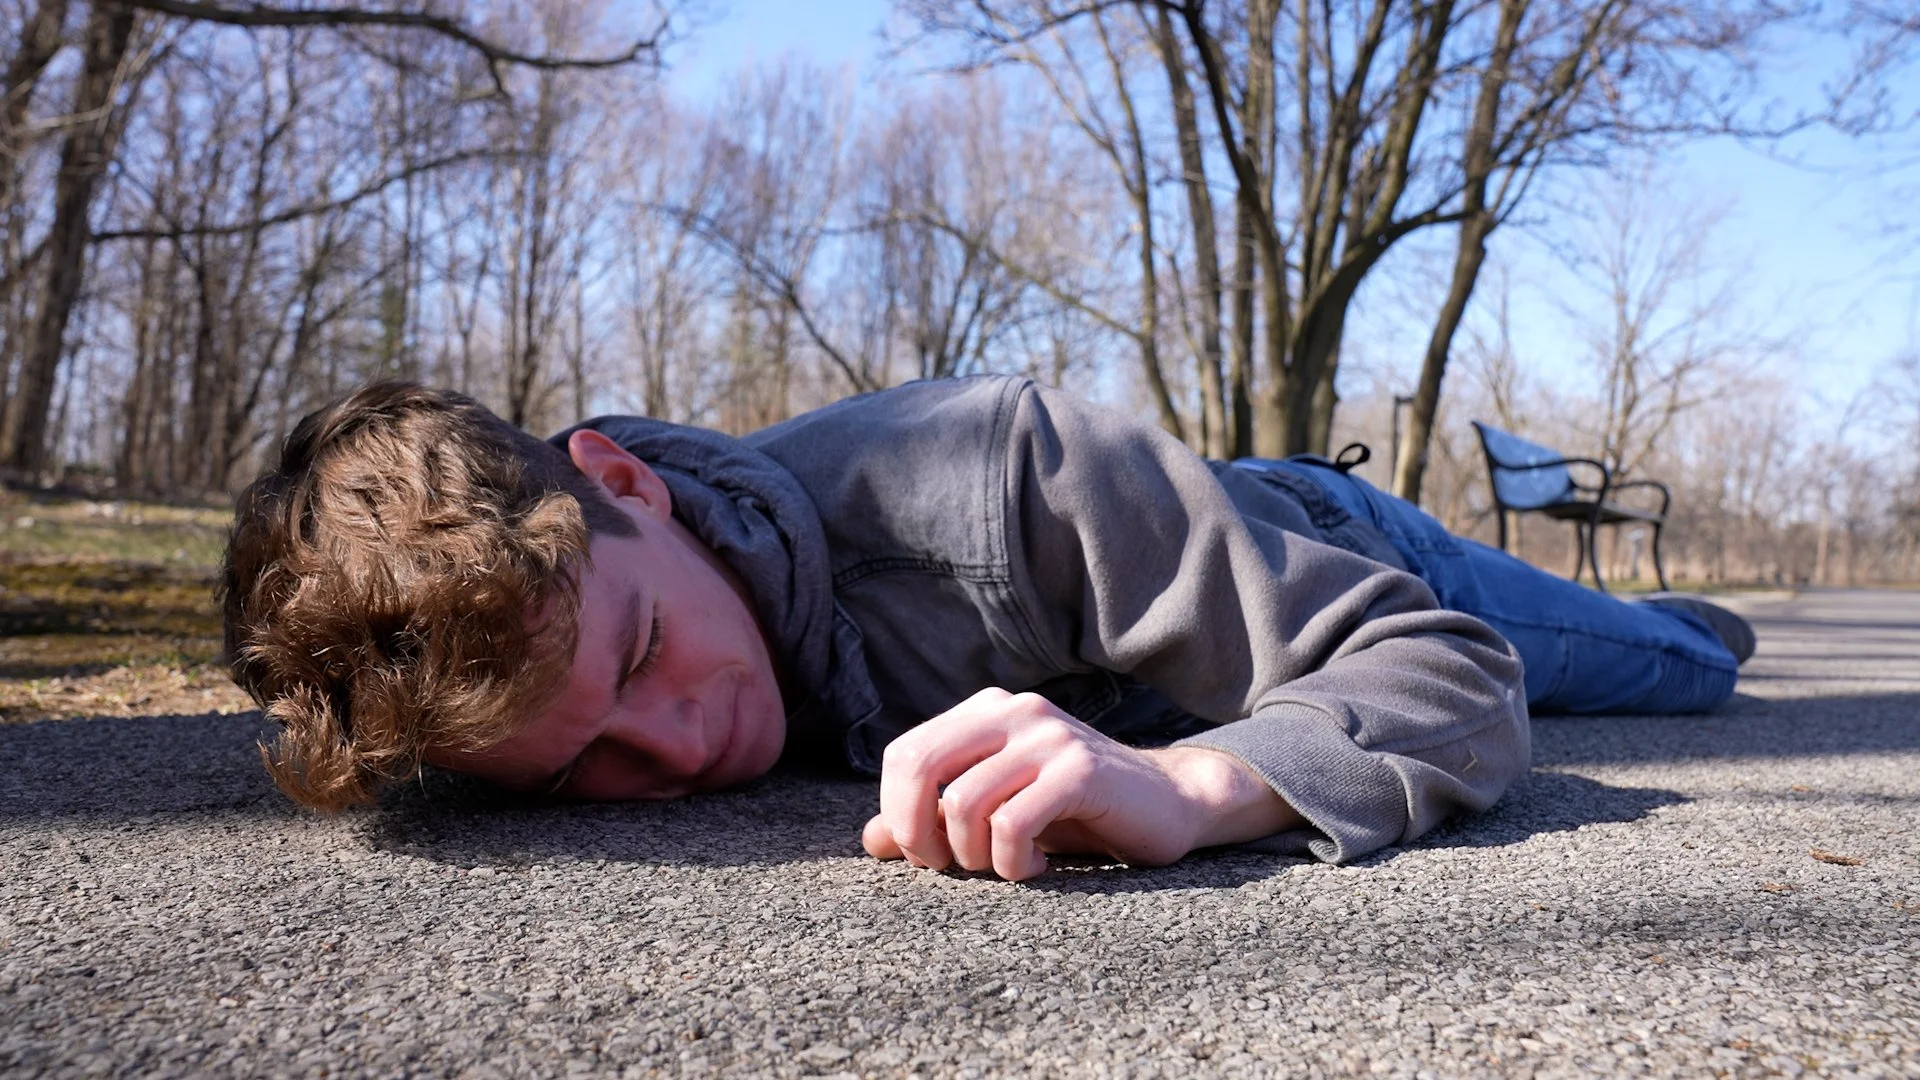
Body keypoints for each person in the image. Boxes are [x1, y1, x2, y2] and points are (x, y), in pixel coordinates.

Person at [220, 376, 1751, 881]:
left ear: (627, 485)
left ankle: (1697, 616)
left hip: (1333, 554)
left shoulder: (993, 475)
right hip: (1197, 576)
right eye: (583, 769)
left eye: (639, 657)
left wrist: (1199, 785)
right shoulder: (546, 641)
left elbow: (1448, 673)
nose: (679, 747)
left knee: (1663, 669)